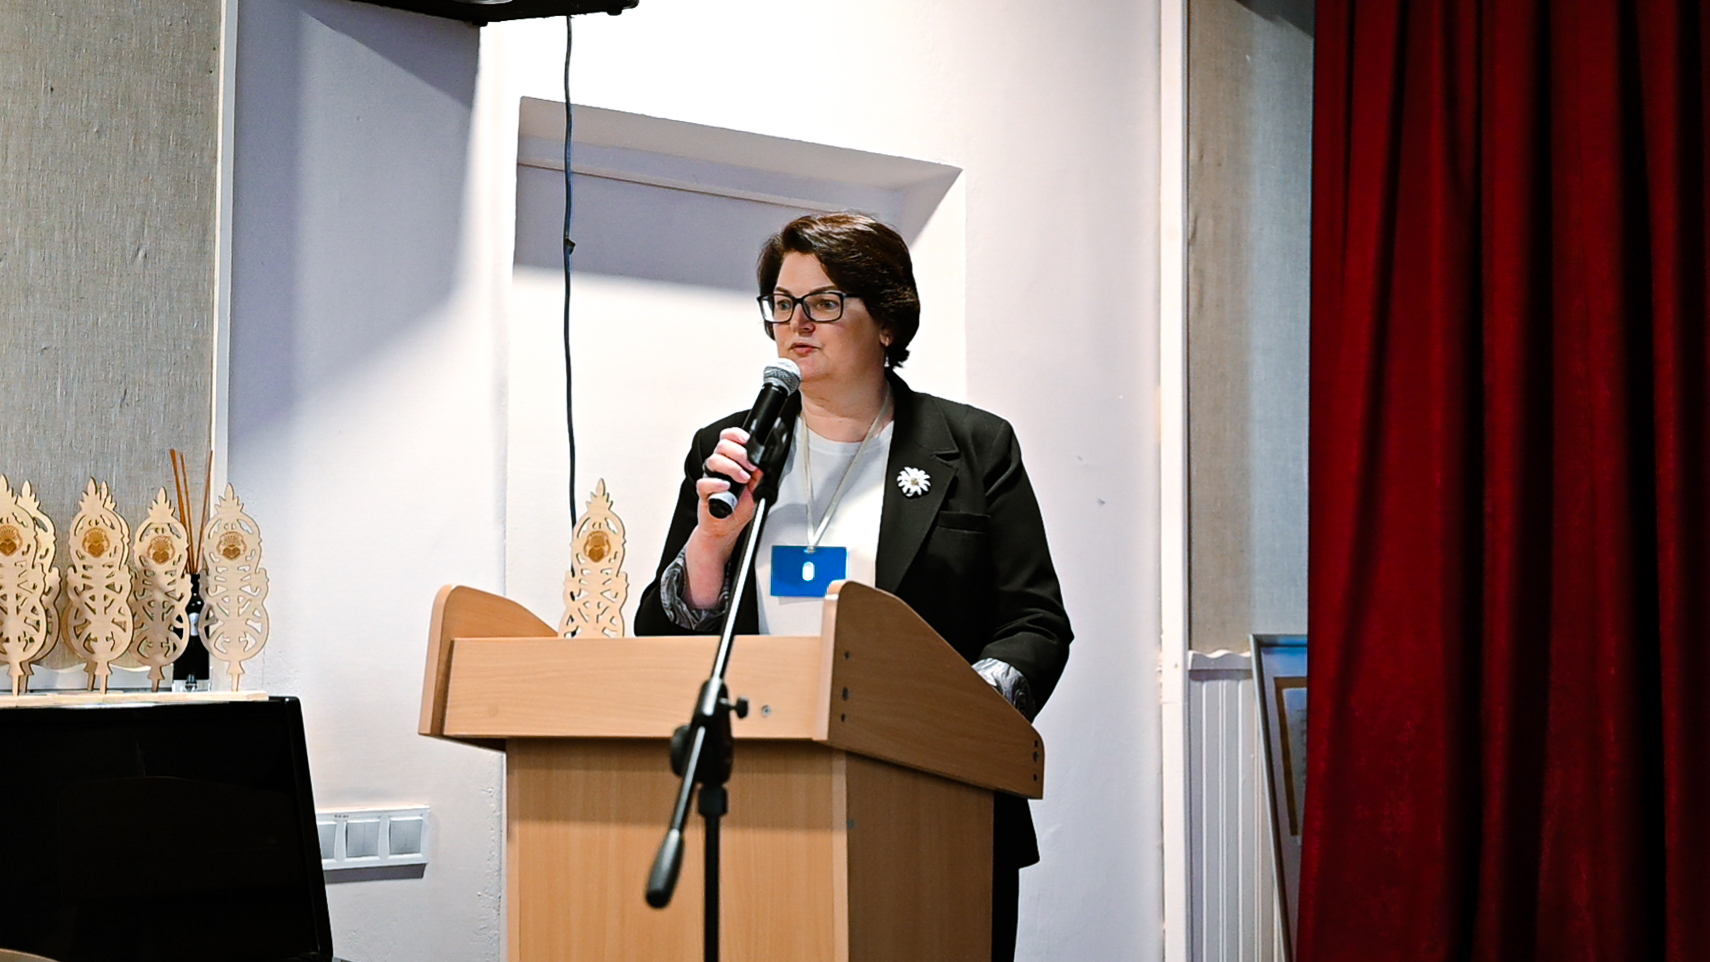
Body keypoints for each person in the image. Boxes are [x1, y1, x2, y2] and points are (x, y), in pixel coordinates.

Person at [635, 211, 1071, 962]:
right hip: (764, 795)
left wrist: (947, 723)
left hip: (939, 798)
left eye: (825, 302)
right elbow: (664, 631)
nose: (796, 323)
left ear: (888, 321)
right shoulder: (731, 449)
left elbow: (1035, 623)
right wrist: (712, 539)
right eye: (782, 303)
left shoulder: (974, 447)